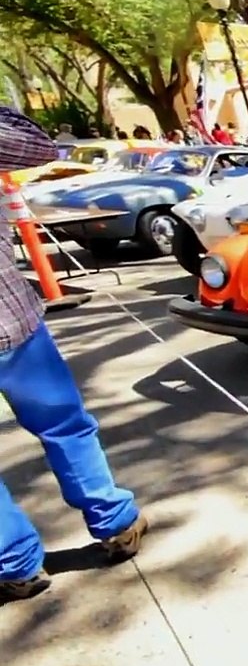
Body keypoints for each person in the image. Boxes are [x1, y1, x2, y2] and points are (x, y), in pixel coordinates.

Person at [0, 106, 148, 603]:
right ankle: (114, 523)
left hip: (13, 321)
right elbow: (37, 145)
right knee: (64, 424)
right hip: (11, 324)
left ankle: (15, 565)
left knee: (65, 423)